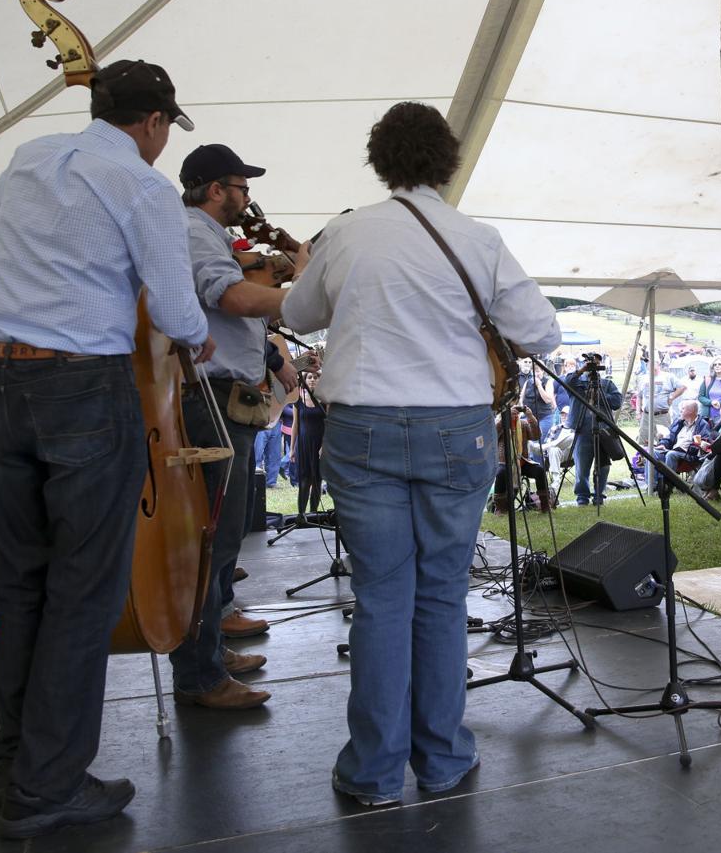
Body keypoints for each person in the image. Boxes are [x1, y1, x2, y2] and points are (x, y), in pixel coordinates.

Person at [280, 101, 560, 806]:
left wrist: (316, 269)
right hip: (454, 429)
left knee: (380, 598)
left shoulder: (345, 233)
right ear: (447, 161)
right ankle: (441, 758)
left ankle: (373, 771)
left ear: (381, 163)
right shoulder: (478, 237)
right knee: (441, 595)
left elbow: (295, 315)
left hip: (363, 424)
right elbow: (543, 331)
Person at [0, 59, 214, 839]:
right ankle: (47, 788)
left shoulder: (33, 155)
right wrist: (201, 337)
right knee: (85, 591)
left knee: (24, 583)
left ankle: (18, 766)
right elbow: (177, 308)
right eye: (165, 133)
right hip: (80, 385)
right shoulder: (144, 190)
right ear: (152, 124)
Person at [169, 143, 298, 709]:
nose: (248, 198)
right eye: (241, 187)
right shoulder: (198, 233)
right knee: (211, 541)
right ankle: (198, 674)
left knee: (222, 541)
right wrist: (301, 299)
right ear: (217, 189)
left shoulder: (212, 236)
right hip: (213, 402)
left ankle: (210, 653)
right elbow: (232, 295)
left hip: (225, 400)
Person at [564, 354, 624, 506]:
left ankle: (599, 496)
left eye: (596, 363)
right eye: (590, 363)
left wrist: (599, 395)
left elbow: (617, 402)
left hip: (603, 431)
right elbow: (567, 381)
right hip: (582, 430)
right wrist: (582, 370)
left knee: (603, 466)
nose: (593, 366)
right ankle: (582, 498)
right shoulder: (577, 383)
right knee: (582, 467)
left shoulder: (607, 384)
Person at [290, 370, 327, 519]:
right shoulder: (298, 400)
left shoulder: (324, 401)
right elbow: (295, 425)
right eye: (309, 377)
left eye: (316, 377)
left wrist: (324, 446)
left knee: (317, 480)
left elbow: (329, 424)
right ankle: (301, 515)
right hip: (304, 444)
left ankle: (313, 514)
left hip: (319, 444)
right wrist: (292, 449)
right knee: (304, 481)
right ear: (305, 380)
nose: (312, 380)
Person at [654, 399, 712, 473]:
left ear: (691, 411)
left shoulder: (702, 424)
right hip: (673, 451)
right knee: (653, 452)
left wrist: (695, 444)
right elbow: (669, 437)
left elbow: (704, 442)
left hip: (690, 455)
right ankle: (654, 483)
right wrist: (663, 444)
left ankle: (669, 482)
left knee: (671, 454)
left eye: (683, 408)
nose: (680, 410)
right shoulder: (679, 423)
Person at [637, 365, 684, 446]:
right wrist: (638, 412)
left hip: (663, 415)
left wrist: (672, 397)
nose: (651, 364)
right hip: (646, 416)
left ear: (659, 364)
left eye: (655, 362)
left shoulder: (668, 376)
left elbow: (682, 387)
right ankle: (643, 458)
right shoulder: (643, 378)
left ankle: (660, 458)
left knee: (664, 441)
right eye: (649, 362)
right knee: (643, 442)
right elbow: (639, 396)